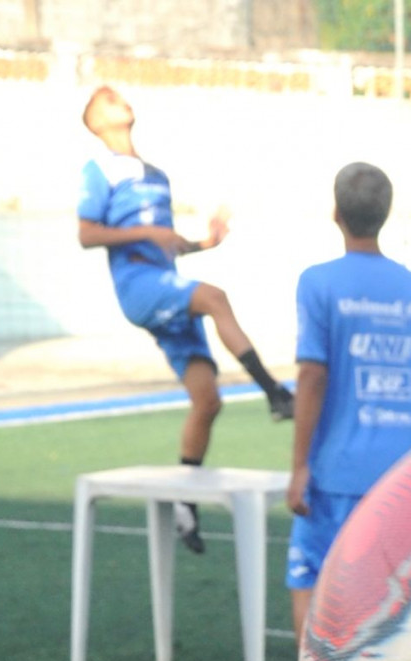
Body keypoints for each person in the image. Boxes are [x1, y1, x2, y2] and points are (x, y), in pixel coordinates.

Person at [259, 163, 411, 661]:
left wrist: (300, 465)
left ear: (336, 213)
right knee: (392, 592)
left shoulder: (318, 282)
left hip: (338, 471)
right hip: (400, 471)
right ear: (386, 214)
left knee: (309, 580)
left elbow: (313, 374)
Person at [76, 85, 296, 554]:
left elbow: (167, 243)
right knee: (217, 297)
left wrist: (206, 244)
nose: (119, 99)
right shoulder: (99, 171)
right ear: (96, 123)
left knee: (207, 400)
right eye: (107, 99)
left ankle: (184, 504)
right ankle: (276, 393)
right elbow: (86, 233)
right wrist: (145, 231)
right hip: (140, 289)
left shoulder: (156, 176)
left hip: (168, 287)